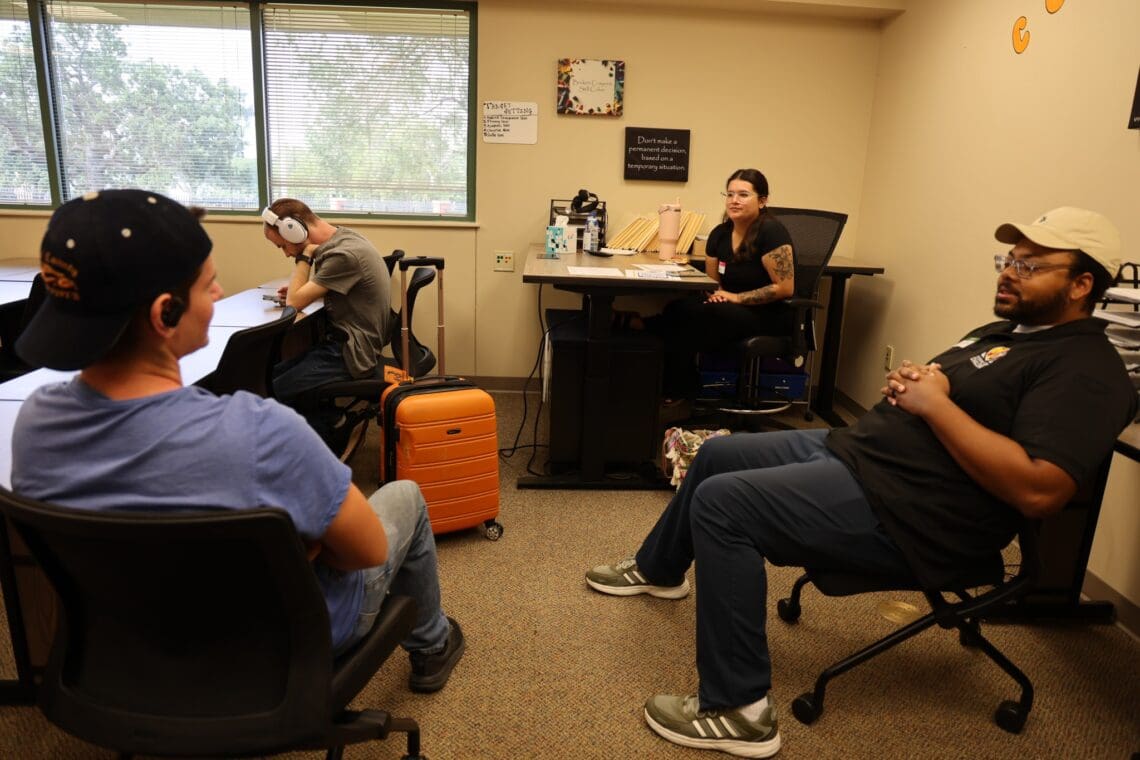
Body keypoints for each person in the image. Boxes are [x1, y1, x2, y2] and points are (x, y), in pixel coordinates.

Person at [586, 206, 1136, 758]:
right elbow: (951, 389)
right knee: (719, 455)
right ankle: (660, 570)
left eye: (1031, 266)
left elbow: (1040, 491)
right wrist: (918, 381)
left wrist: (937, 406)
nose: (1009, 272)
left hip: (915, 510)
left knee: (723, 505)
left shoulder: (1087, 370)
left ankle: (739, 711)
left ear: (1081, 284)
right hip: (864, 452)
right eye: (1009, 260)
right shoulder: (1009, 335)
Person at [12, 189, 464, 692]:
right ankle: (433, 641)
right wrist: (309, 541)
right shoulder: (263, 431)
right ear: (165, 313)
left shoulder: (34, 427)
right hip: (278, 642)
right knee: (405, 498)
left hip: (127, 652)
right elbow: (365, 550)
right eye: (210, 286)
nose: (220, 294)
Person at [621, 169, 795, 403]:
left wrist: (735, 298)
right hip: (730, 310)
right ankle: (678, 389)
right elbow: (713, 284)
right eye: (730, 194)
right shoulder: (720, 234)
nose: (734, 200)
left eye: (743, 195)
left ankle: (676, 386)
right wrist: (716, 295)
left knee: (692, 320)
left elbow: (785, 288)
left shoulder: (771, 232)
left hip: (768, 314)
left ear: (762, 201)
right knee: (679, 309)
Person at [261, 197, 393, 451]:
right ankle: (329, 419)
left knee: (275, 389)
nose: (287, 252)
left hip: (351, 352)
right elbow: (317, 292)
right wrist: (313, 286)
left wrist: (305, 259)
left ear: (294, 229)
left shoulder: (343, 254)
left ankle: (329, 436)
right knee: (274, 374)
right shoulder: (343, 239)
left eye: (283, 246)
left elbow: (294, 303)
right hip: (344, 341)